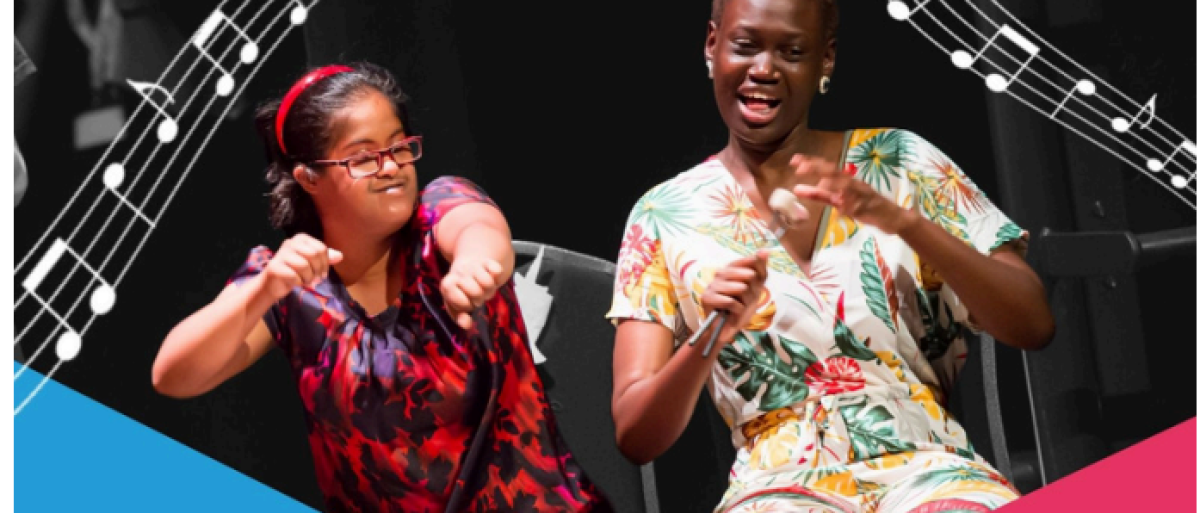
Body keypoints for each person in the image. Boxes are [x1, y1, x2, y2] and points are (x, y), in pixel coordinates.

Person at [606, 0, 1055, 512]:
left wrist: (907, 224)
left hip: (930, 466)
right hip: (776, 486)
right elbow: (635, 434)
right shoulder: (664, 214)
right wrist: (710, 333)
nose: (764, 69)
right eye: (745, 46)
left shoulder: (899, 161)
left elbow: (1034, 324)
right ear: (713, 45)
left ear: (826, 59)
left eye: (792, 51)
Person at [151, 63, 608, 513]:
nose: (391, 167)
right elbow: (173, 376)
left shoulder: (439, 213)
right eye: (364, 157)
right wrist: (262, 291)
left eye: (399, 147)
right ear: (309, 177)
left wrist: (473, 267)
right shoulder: (293, 290)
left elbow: (480, 231)